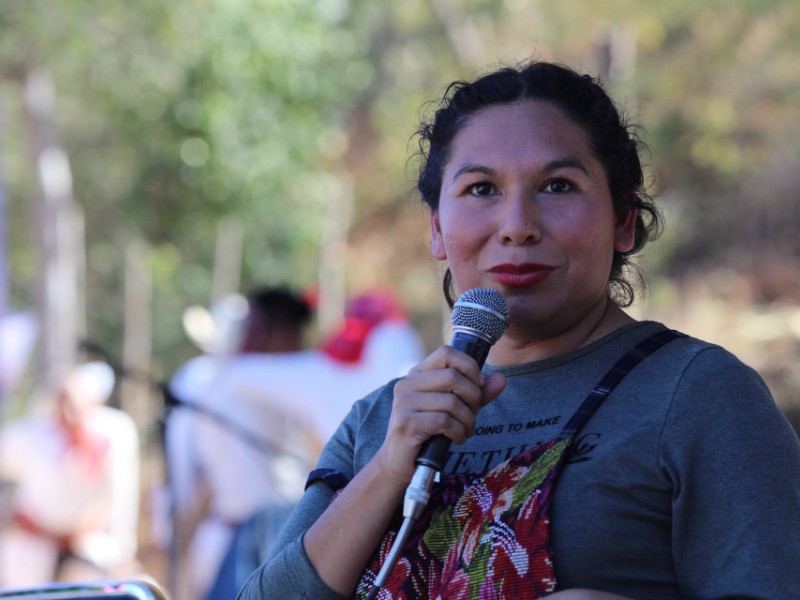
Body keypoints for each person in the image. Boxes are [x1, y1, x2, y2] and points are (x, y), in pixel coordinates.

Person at [236, 59, 800, 599]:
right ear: (437, 230)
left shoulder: (699, 395)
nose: (517, 227)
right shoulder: (381, 419)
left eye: (557, 186)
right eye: (481, 189)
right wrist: (388, 466)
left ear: (625, 220)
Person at [164, 286, 315, 600]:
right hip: (258, 544)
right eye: (294, 333)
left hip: (228, 539)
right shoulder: (254, 379)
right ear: (274, 332)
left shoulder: (219, 380)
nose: (300, 344)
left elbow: (201, 482)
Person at [0, 361, 141, 588]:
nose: (70, 413)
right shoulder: (31, 435)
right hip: (33, 552)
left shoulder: (113, 435)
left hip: (86, 550)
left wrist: (123, 549)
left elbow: (122, 499)